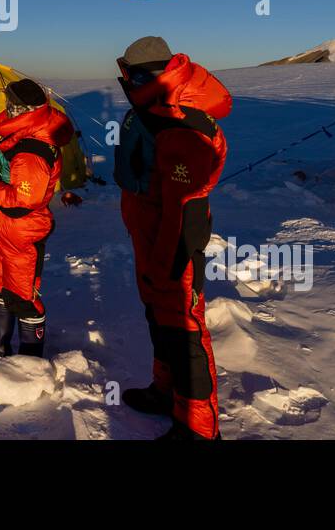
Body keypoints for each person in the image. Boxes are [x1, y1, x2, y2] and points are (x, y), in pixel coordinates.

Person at [113, 37, 231, 440]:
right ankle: (166, 392)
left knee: (185, 329)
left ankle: (198, 427)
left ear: (145, 75)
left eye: (128, 75)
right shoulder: (153, 111)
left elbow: (187, 211)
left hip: (171, 245)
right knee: (159, 319)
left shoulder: (180, 125)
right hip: (150, 238)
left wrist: (169, 263)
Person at [0, 78, 72, 359]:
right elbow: (4, 162)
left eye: (10, 104)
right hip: (3, 227)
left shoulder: (33, 151)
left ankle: (30, 360)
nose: (6, 108)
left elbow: (25, 200)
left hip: (22, 230)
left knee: (23, 297)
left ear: (21, 109)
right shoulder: (20, 134)